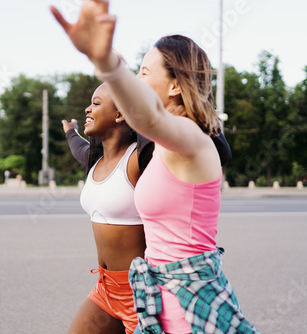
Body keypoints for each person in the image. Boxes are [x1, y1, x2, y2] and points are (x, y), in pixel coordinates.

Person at [51, 2, 260, 334]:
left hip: (190, 308)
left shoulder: (191, 139)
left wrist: (105, 60)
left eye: (144, 73)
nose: (136, 80)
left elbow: (145, 115)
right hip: (154, 297)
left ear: (175, 86)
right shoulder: (162, 143)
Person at [63, 83, 145, 334]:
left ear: (121, 114)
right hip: (106, 290)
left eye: (96, 103)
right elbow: (79, 149)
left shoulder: (138, 160)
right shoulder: (95, 161)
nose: (88, 108)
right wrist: (71, 132)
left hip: (141, 294)